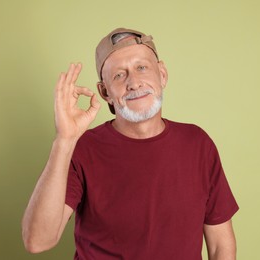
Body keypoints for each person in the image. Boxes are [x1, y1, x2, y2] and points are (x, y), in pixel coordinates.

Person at [22, 27, 239, 260]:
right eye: (119, 75)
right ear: (105, 92)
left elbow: (220, 247)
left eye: (142, 67)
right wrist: (64, 140)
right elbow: (37, 240)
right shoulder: (82, 149)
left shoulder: (198, 144)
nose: (134, 83)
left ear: (162, 74)